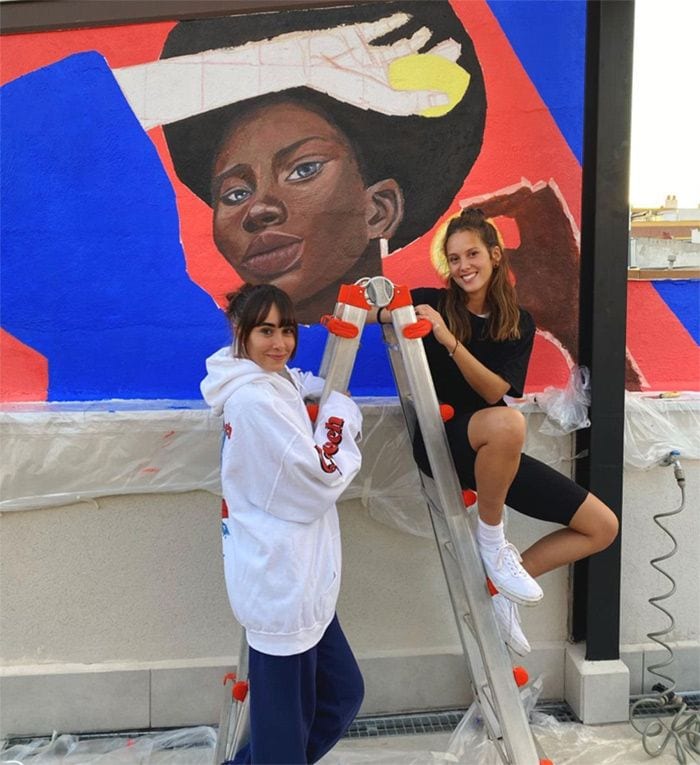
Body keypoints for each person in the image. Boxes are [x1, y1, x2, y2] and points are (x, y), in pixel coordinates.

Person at [376, 208, 619, 656]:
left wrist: (448, 339)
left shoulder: (517, 323)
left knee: (602, 527)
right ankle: (493, 543)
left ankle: (498, 583)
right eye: (453, 258)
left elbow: (492, 391)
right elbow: (376, 305)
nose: (463, 265)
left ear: (494, 255)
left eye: (472, 254)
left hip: (493, 447)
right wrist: (385, 306)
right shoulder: (433, 301)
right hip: (441, 442)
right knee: (509, 423)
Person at [200, 283, 364, 764]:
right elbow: (316, 478)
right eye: (265, 331)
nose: (279, 343)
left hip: (301, 586)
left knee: (340, 695)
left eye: (286, 330)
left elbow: (292, 382)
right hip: (281, 586)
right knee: (284, 740)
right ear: (240, 332)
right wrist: (339, 413)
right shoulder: (253, 402)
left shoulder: (270, 384)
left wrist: (315, 388)